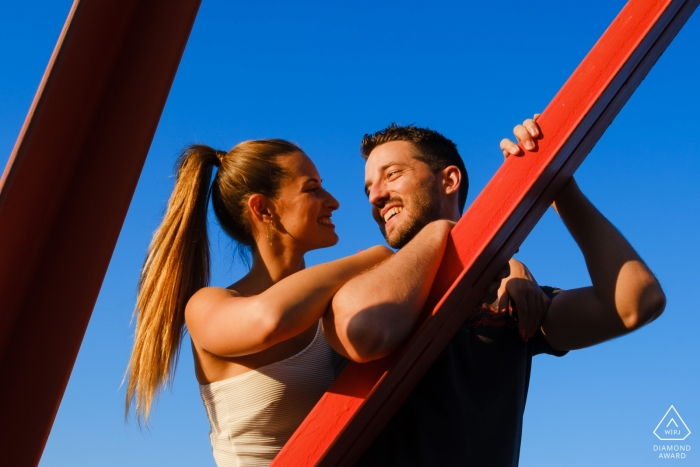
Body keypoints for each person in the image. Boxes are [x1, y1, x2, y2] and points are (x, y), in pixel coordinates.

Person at [125, 139, 502, 466]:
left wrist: (512, 270)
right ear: (264, 209)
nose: (333, 201)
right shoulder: (209, 305)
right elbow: (269, 319)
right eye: (313, 189)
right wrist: (373, 256)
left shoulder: (339, 302)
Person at [322, 119, 666, 466]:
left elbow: (638, 303)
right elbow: (363, 331)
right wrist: (446, 232)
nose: (376, 196)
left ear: (449, 180)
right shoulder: (363, 278)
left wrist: (557, 185)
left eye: (392, 174)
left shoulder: (513, 299)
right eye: (368, 188)